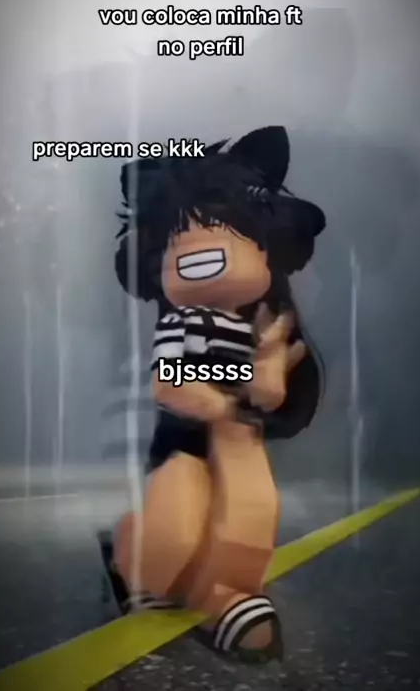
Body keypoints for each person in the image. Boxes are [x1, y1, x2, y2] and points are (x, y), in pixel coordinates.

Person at [103, 125, 326, 663]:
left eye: (227, 232)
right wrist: (212, 401)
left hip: (240, 435)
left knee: (253, 509)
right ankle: (137, 564)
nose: (200, 252)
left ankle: (226, 593)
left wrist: (269, 380)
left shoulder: (266, 326)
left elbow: (276, 392)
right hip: (185, 443)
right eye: (179, 240)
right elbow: (168, 380)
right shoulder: (182, 323)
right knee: (178, 519)